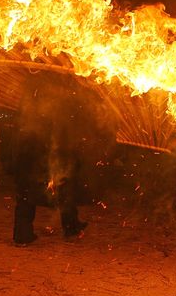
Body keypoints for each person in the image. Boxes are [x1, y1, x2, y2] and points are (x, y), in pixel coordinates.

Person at [10, 74, 110, 245]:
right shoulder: (54, 105)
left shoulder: (33, 101)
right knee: (62, 190)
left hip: (34, 153)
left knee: (32, 193)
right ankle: (69, 229)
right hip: (45, 153)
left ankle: (24, 235)